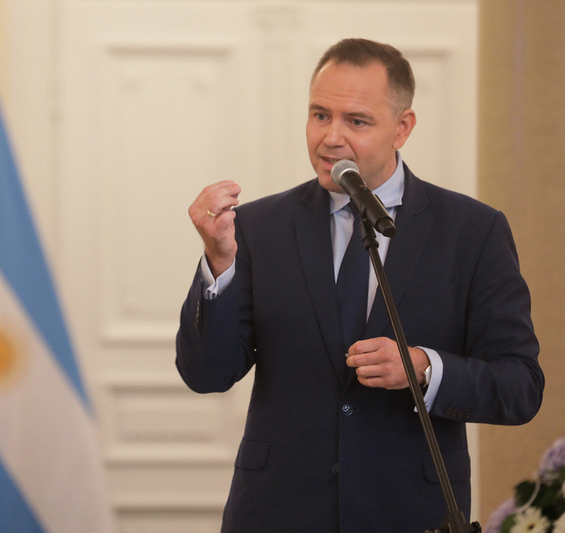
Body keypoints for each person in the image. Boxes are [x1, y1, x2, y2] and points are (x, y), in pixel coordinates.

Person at [176, 38, 544, 533]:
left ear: (403, 127)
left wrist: (423, 367)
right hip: (278, 513)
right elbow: (207, 374)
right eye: (320, 115)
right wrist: (219, 262)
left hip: (410, 514)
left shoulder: (473, 232)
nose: (331, 137)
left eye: (356, 121)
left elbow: (520, 388)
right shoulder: (258, 227)